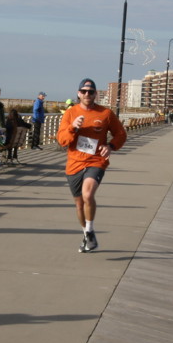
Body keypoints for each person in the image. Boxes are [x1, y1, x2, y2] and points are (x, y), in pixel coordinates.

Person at [57, 78, 127, 253]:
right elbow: (62, 140)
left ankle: (89, 230)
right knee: (79, 204)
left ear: (96, 94)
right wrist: (73, 127)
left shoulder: (106, 113)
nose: (87, 94)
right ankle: (87, 235)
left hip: (96, 161)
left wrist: (110, 146)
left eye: (90, 91)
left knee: (88, 195)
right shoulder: (70, 113)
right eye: (84, 91)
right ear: (78, 93)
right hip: (74, 163)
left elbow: (121, 134)